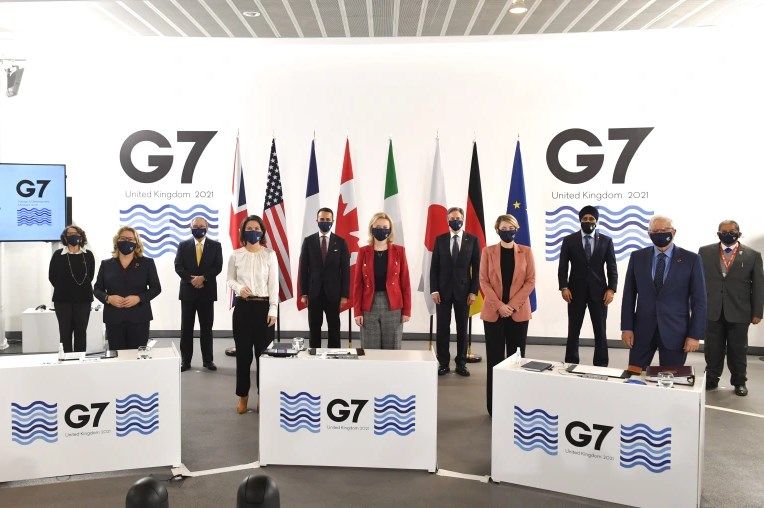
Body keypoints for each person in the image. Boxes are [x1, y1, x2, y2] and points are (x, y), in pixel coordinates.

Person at [621, 215, 706, 369]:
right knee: (634, 375)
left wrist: (694, 335)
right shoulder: (637, 257)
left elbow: (699, 301)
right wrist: (626, 328)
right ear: (649, 234)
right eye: (655, 231)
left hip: (676, 333)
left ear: (673, 232)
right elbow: (629, 296)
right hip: (641, 332)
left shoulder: (692, 259)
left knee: (670, 378)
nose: (660, 233)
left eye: (664, 230)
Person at [699, 220, 764, 396]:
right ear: (718, 233)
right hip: (712, 311)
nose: (728, 234)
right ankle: (711, 379)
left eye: (732, 231)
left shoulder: (753, 255)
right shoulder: (705, 252)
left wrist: (757, 312)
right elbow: (698, 282)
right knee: (712, 349)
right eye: (724, 231)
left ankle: (739, 382)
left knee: (738, 350)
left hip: (740, 311)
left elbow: (759, 286)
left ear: (739, 233)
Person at [480, 214, 535, 416]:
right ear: (497, 230)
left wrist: (510, 306)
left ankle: (515, 407)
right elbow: (483, 281)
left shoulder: (526, 252)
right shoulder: (488, 252)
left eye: (511, 228)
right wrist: (499, 306)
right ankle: (494, 408)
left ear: (517, 229)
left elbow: (530, 281)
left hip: (518, 314)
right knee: (494, 361)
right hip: (493, 314)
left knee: (516, 362)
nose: (507, 231)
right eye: (503, 228)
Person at [226, 215, 278, 414]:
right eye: (249, 228)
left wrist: (273, 309)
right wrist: (239, 288)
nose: (253, 231)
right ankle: (243, 397)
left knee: (264, 357)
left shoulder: (270, 255)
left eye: (257, 228)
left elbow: (273, 285)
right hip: (243, 308)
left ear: (262, 232)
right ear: (243, 232)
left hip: (264, 309)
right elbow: (229, 279)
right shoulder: (236, 255)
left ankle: (263, 396)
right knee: (243, 356)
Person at [557, 205, 617, 366]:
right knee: (573, 330)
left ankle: (601, 365)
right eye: (585, 218)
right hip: (574, 292)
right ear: (580, 220)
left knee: (600, 331)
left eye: (591, 218)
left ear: (596, 221)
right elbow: (563, 266)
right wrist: (564, 287)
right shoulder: (569, 240)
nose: (588, 221)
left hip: (600, 293)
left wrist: (611, 289)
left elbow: (612, 267)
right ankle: (571, 362)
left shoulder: (606, 241)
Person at [430, 207, 480, 376]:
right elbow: (434, 268)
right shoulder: (440, 240)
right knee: (442, 329)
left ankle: (461, 364)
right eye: (452, 218)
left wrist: (474, 291)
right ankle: (443, 363)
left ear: (463, 219)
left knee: (462, 329)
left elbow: (477, 269)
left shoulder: (472, 240)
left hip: (464, 293)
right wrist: (434, 290)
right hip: (442, 292)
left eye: (458, 218)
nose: (455, 221)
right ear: (447, 220)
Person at [93, 226, 161, 350]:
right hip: (114, 319)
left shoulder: (147, 263)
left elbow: (156, 288)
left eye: (130, 239)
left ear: (136, 243)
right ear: (117, 241)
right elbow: (97, 289)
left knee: (137, 356)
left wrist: (139, 298)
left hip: (139, 318)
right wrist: (108, 298)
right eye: (123, 238)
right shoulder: (106, 264)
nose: (126, 241)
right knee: (117, 356)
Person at [353, 212, 411, 350]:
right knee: (369, 349)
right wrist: (357, 312)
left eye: (385, 227)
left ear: (390, 230)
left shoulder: (399, 251)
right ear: (371, 228)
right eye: (378, 227)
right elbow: (358, 284)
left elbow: (405, 283)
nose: (381, 230)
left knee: (392, 349)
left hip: (393, 306)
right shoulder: (363, 251)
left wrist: (407, 310)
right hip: (369, 305)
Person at [174, 216, 223, 372]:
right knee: (186, 329)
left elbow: (218, 266)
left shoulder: (216, 246)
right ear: (190, 228)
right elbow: (178, 266)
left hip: (207, 292)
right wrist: (192, 280)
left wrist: (203, 278)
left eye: (202, 226)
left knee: (206, 328)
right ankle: (185, 361)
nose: (198, 228)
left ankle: (208, 361)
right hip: (188, 293)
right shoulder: (183, 245)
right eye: (195, 226)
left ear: (207, 228)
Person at [298, 207, 350, 348]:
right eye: (322, 219)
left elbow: (345, 271)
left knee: (334, 327)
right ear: (317, 220)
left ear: (333, 221)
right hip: (313, 293)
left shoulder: (341, 242)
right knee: (314, 327)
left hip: (334, 294)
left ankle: (334, 356)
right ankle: (314, 356)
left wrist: (344, 295)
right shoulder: (308, 241)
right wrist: (304, 293)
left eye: (328, 219)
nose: (325, 222)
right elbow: (303, 269)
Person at [48, 224, 96, 352]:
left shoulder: (88, 255)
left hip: (83, 300)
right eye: (69, 234)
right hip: (62, 301)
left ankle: (80, 360)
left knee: (81, 332)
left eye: (75, 233)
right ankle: (66, 360)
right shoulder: (58, 254)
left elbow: (90, 276)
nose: (72, 236)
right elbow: (52, 276)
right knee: (65, 333)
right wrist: (65, 288)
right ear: (65, 238)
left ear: (81, 236)